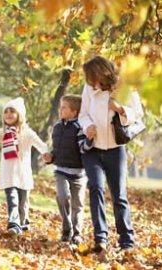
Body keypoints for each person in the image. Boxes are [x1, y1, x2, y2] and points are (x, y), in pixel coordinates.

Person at [79, 56, 144, 252]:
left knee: (119, 195)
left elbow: (138, 115)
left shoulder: (124, 87)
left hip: (116, 149)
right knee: (96, 188)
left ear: (103, 73)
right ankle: (101, 238)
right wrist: (88, 126)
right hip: (93, 149)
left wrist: (120, 109)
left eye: (93, 77)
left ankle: (126, 240)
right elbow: (82, 114)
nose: (91, 82)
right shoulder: (89, 89)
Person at [0, 97, 48, 235]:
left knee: (23, 202)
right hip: (8, 173)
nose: (8, 114)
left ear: (20, 115)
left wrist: (46, 153)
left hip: (23, 173)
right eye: (5, 112)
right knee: (12, 199)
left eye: (12, 111)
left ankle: (22, 223)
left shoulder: (27, 133)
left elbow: (40, 144)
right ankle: (13, 223)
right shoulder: (3, 132)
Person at [43, 95, 93, 245]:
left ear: (74, 112)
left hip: (78, 173)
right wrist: (51, 157)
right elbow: (57, 149)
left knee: (77, 206)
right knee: (62, 196)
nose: (60, 110)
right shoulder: (57, 127)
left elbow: (83, 148)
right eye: (60, 107)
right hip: (61, 171)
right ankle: (67, 227)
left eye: (64, 107)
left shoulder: (79, 128)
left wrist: (90, 139)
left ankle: (77, 234)